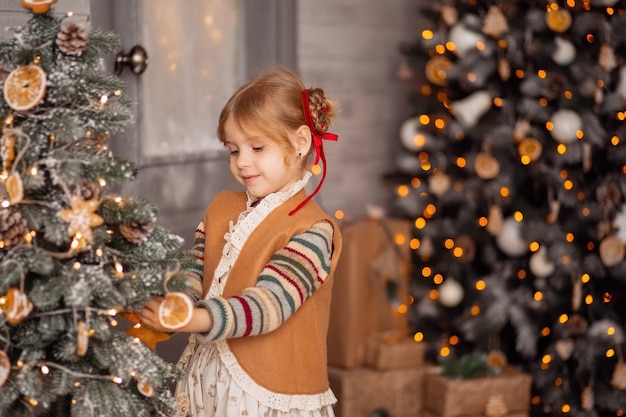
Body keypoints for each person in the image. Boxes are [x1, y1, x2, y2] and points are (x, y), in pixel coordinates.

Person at [137, 67, 343, 417]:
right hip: (208, 382)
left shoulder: (313, 229)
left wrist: (195, 320)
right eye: (233, 150)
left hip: (269, 396)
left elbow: (269, 305)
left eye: (256, 147)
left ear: (300, 143)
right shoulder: (221, 207)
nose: (242, 162)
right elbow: (195, 266)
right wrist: (179, 301)